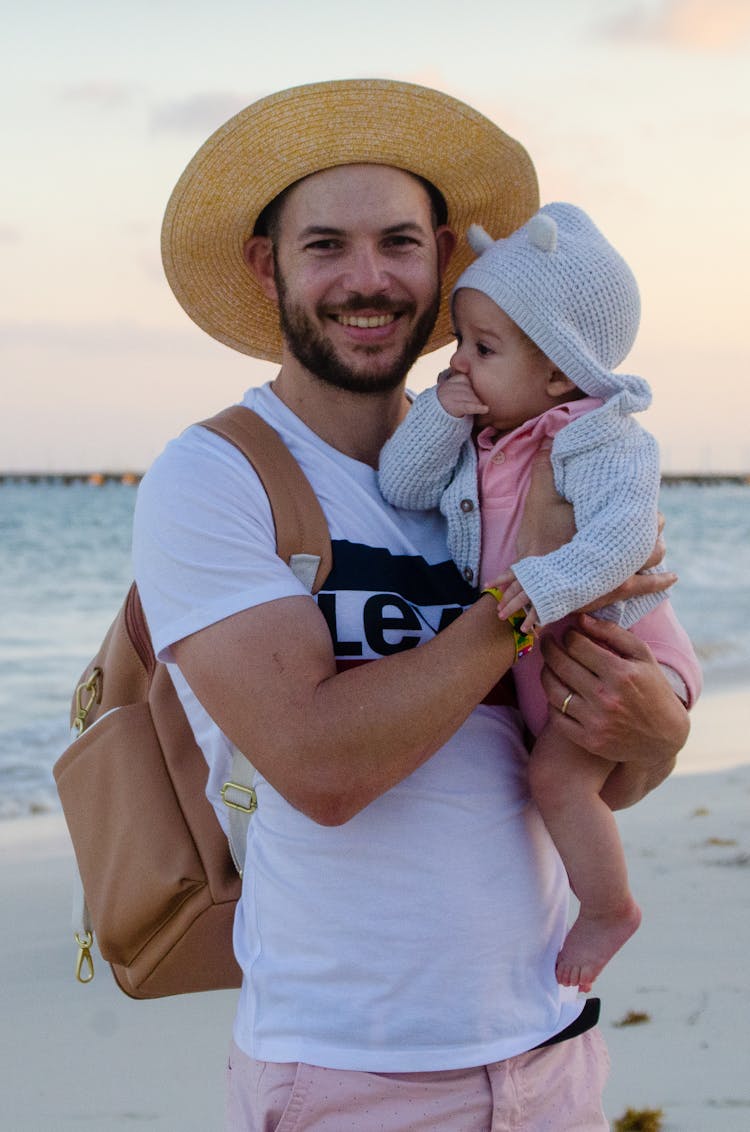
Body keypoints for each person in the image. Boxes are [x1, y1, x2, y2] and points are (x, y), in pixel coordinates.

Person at [134, 79, 699, 1131]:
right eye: (325, 247)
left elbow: (584, 771)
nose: (368, 279)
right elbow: (323, 769)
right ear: (268, 267)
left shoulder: (504, 460)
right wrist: (523, 592)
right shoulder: (213, 477)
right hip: (358, 1075)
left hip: (550, 1052)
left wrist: (658, 734)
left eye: (398, 242)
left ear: (445, 256)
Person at [379, 201, 702, 996]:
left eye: (482, 348)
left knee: (558, 781)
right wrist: (439, 416)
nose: (459, 363)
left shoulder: (601, 437)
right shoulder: (480, 436)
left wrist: (545, 583)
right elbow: (399, 483)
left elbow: (627, 538)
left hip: (622, 655)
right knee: (554, 777)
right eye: (459, 343)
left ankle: (609, 909)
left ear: (560, 370)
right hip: (543, 652)